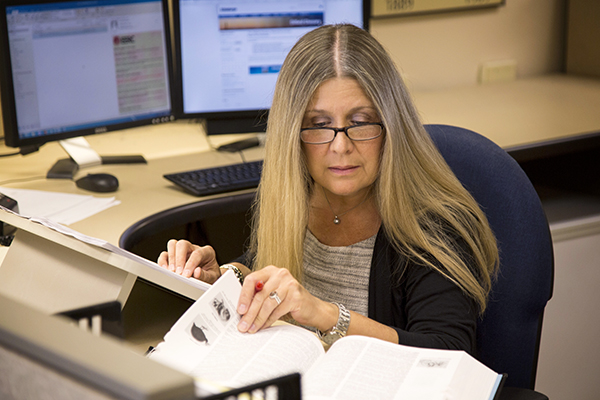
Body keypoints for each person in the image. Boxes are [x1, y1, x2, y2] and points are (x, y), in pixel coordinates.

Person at [158, 24, 498, 353]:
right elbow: (267, 266)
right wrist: (225, 277)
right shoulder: (298, 197)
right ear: (293, 134)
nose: (340, 146)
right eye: (319, 125)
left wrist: (325, 315)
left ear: (392, 125)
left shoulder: (432, 224)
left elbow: (449, 352)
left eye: (360, 122)